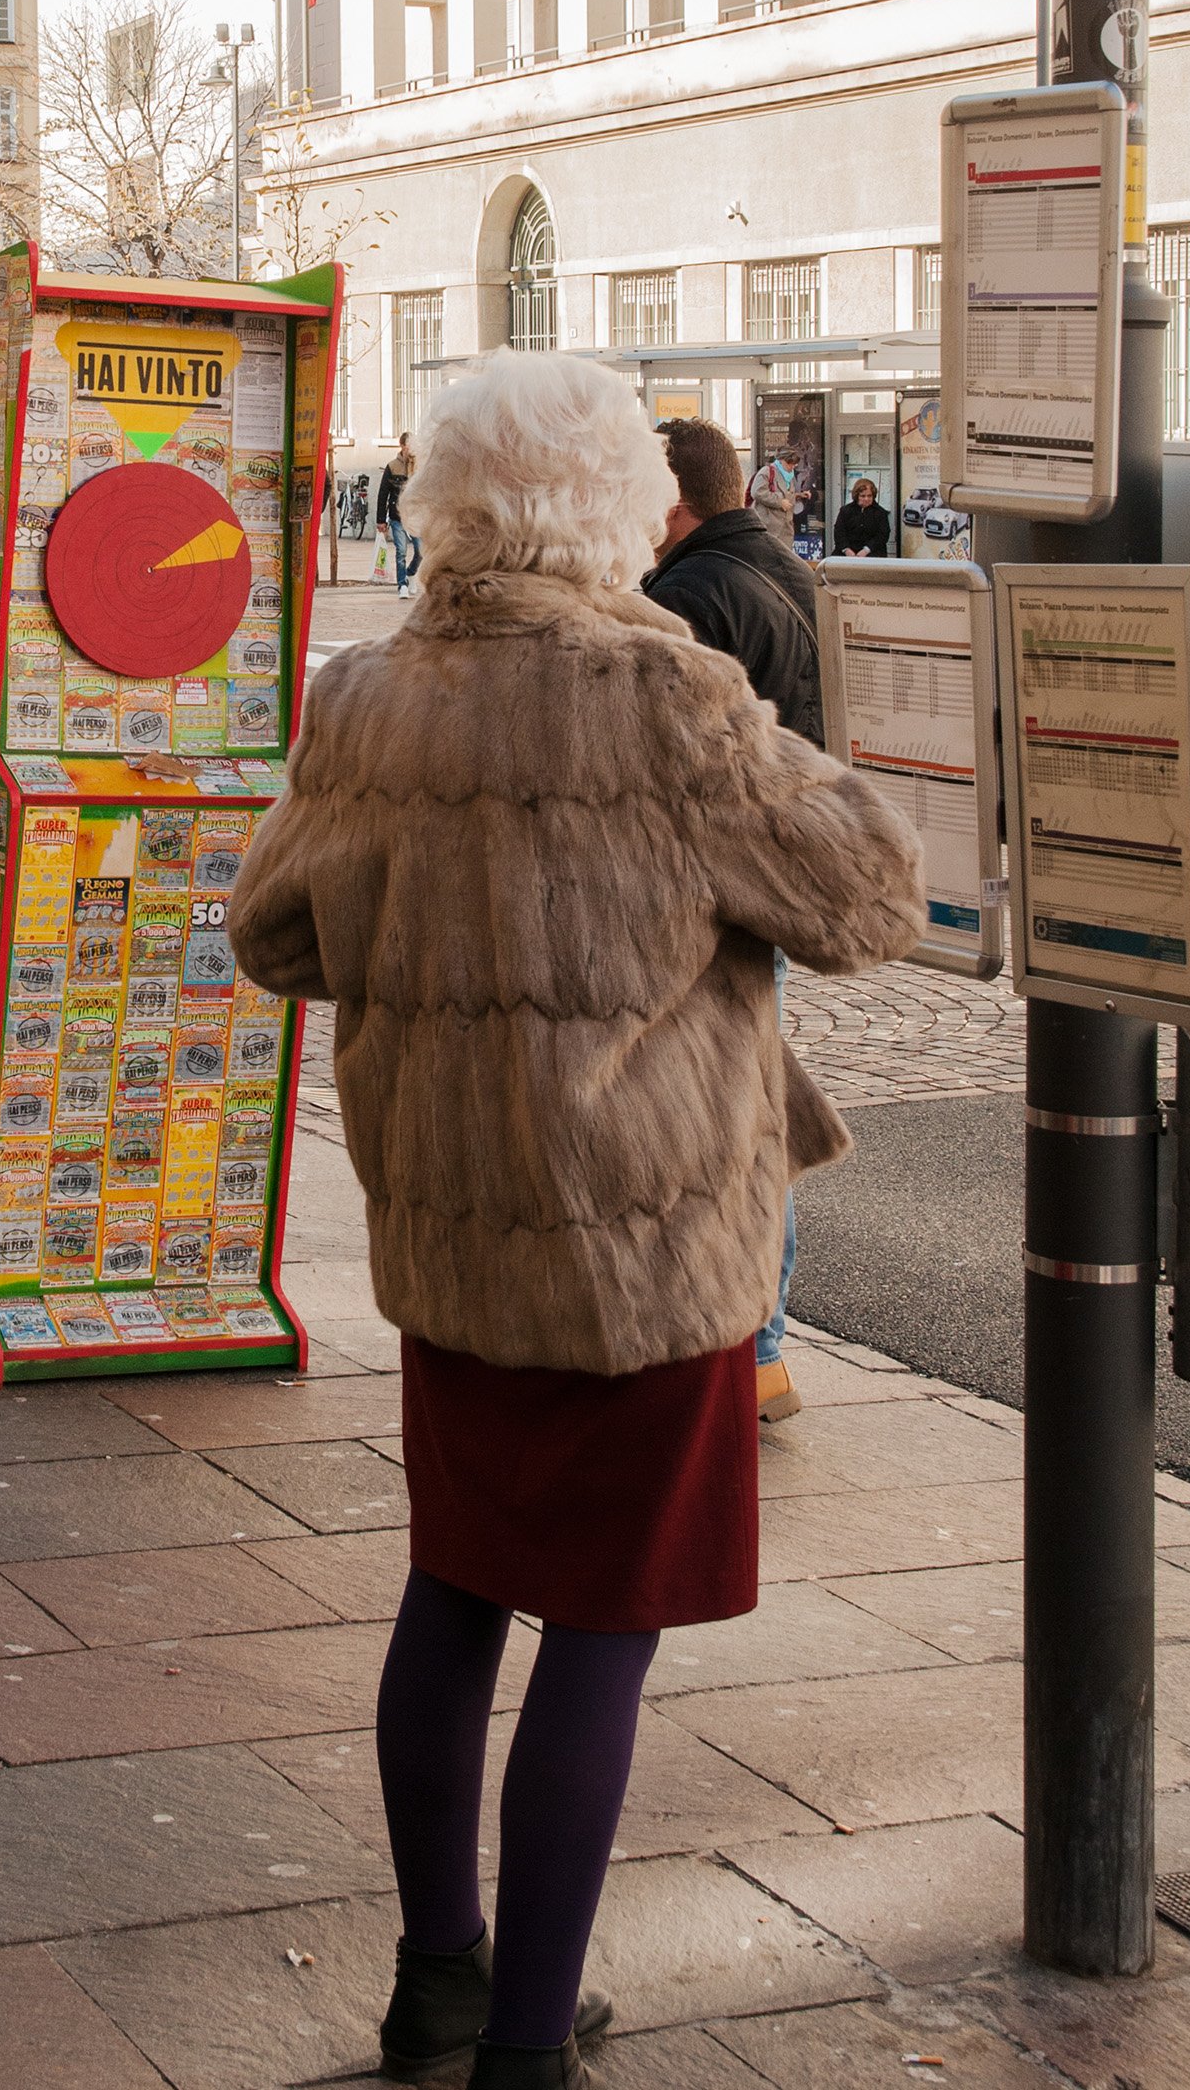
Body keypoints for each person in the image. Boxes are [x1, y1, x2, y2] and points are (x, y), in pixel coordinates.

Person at [230, 353, 924, 2090]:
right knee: (603, 1633)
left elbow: (274, 937)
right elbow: (868, 898)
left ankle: (443, 1981)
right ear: (619, 506)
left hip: (461, 1238)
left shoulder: (367, 696)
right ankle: (530, 2045)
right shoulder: (665, 694)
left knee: (455, 1592)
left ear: (448, 501)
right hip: (641, 1245)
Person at [642, 415, 825, 1420]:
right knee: (752, 1108)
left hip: (704, 889)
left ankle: (734, 1347)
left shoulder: (685, 598)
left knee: (714, 1125)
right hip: (774, 875)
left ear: (670, 504)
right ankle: (760, 1350)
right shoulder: (790, 573)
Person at [375, 431, 420, 598]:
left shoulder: (419, 466)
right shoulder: (393, 466)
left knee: (420, 550)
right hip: (397, 516)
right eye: (409, 446)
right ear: (401, 446)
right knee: (401, 551)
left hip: (416, 516)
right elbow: (383, 494)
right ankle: (402, 585)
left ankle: (411, 573)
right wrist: (381, 520)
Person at [833, 476, 891, 559]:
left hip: (872, 554)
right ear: (857, 496)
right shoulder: (846, 511)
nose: (866, 499)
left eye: (869, 496)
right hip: (846, 553)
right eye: (863, 496)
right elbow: (839, 532)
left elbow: (882, 535)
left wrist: (866, 550)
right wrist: (847, 550)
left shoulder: (880, 513)